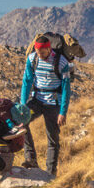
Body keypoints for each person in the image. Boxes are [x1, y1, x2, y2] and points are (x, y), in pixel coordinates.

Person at [20, 36, 71, 177]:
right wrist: (23, 105)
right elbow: (27, 81)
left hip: (54, 103)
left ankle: (50, 173)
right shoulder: (32, 59)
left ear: (49, 49)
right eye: (38, 52)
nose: (40, 55)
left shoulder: (61, 62)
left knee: (52, 139)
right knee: (21, 121)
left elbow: (66, 88)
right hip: (37, 100)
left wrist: (63, 112)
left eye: (43, 52)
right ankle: (30, 159)